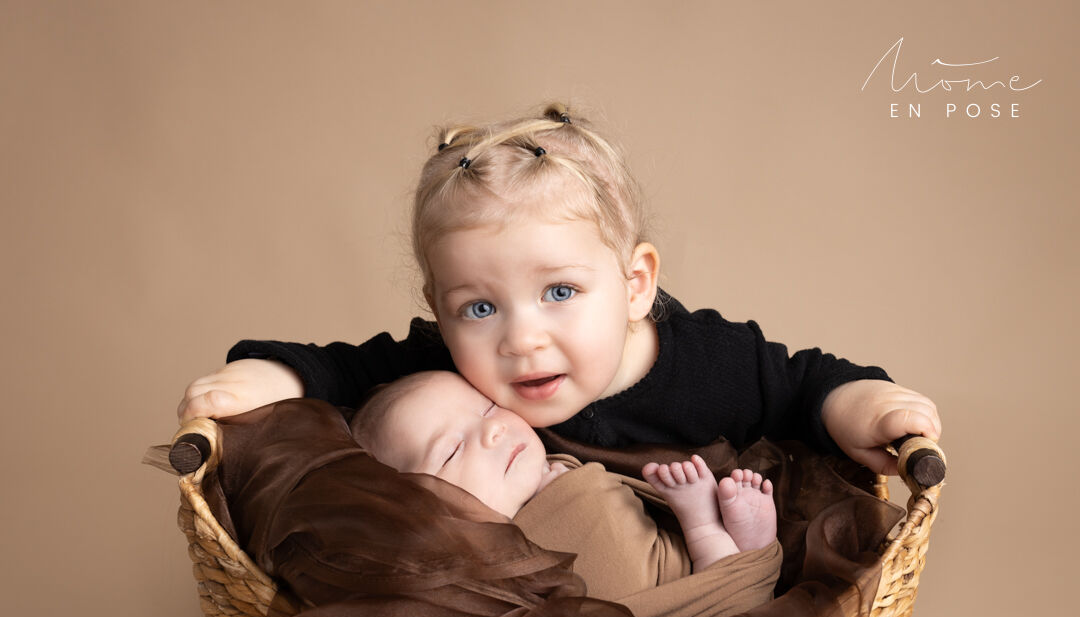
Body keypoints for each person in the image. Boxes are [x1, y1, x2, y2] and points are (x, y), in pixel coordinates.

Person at [177, 103, 941, 478]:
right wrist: (262, 378)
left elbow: (807, 385)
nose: (520, 338)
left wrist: (864, 405)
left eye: (561, 292)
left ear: (637, 283)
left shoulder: (711, 361)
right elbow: (334, 370)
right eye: (478, 308)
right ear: (440, 311)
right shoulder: (442, 368)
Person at [352, 370, 777, 597]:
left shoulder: (556, 459)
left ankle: (709, 536)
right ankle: (723, 548)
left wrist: (557, 482)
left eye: (487, 409)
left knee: (676, 563)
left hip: (671, 568)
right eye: (451, 451)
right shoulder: (469, 553)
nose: (492, 432)